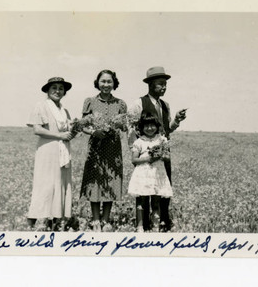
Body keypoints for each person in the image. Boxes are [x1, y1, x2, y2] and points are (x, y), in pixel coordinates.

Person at [128, 66, 187, 232]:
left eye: (165, 84)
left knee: (162, 187)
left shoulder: (165, 105)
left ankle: (161, 223)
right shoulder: (138, 104)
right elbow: (130, 129)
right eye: (160, 84)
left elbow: (168, 129)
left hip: (162, 156)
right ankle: (143, 225)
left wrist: (176, 120)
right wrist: (136, 152)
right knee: (144, 190)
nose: (164, 87)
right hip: (144, 156)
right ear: (150, 84)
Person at [80, 70, 128, 232]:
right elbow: (83, 125)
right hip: (96, 147)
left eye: (109, 82)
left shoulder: (120, 104)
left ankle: (106, 220)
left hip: (113, 148)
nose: (106, 85)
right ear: (97, 83)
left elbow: (125, 126)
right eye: (103, 81)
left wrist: (120, 125)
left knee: (111, 181)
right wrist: (94, 132)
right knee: (96, 181)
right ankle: (95, 220)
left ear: (114, 83)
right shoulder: (90, 102)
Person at [26, 77, 75, 231]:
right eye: (53, 88)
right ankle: (36, 221)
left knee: (60, 183)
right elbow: (37, 129)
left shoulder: (64, 110)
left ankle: (55, 219)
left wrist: (74, 130)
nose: (57, 91)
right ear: (47, 90)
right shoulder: (41, 106)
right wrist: (60, 136)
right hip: (47, 151)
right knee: (45, 184)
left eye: (61, 88)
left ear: (64, 92)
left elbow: (67, 131)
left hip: (62, 151)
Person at [128, 112, 173, 232]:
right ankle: (140, 226)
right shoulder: (139, 142)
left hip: (157, 175)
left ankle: (155, 226)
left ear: (157, 126)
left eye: (152, 125)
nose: (149, 128)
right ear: (141, 128)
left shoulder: (162, 140)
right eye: (146, 126)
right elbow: (134, 160)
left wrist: (162, 155)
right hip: (142, 174)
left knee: (156, 201)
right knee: (141, 201)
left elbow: (168, 157)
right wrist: (148, 158)